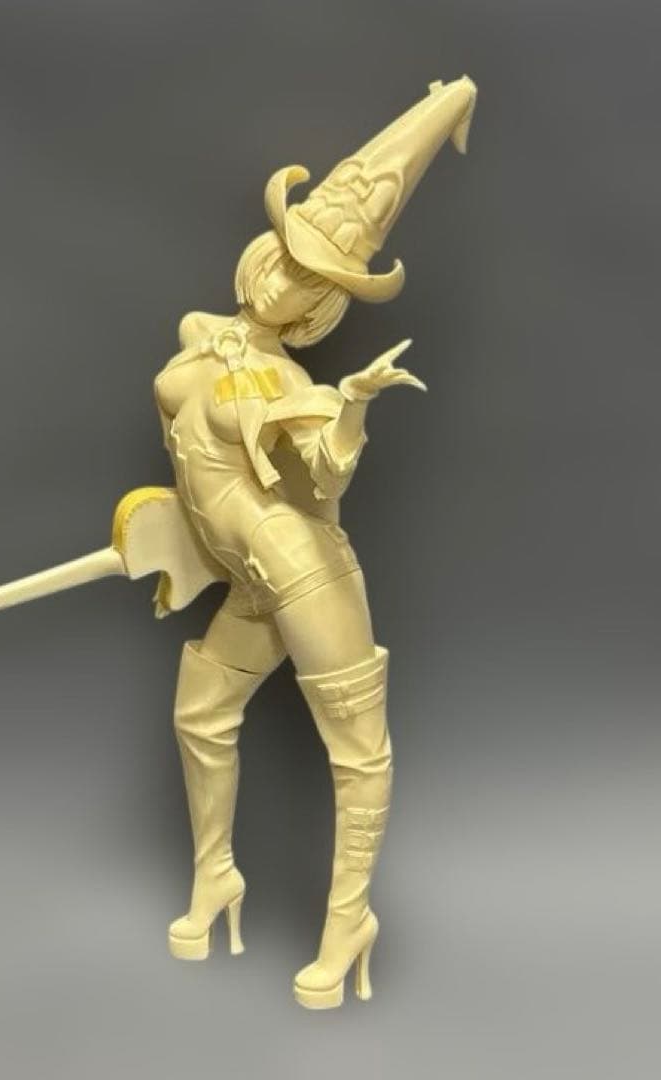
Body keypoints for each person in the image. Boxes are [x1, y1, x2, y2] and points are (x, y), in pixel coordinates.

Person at [154, 76, 477, 1009]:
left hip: (307, 572)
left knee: (356, 750)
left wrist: (352, 405)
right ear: (266, 250)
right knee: (200, 716)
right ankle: (216, 878)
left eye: (309, 282)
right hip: (252, 582)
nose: (284, 282)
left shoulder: (289, 384)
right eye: (288, 259)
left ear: (318, 307)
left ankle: (347, 924)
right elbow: (194, 477)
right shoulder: (200, 341)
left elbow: (324, 478)